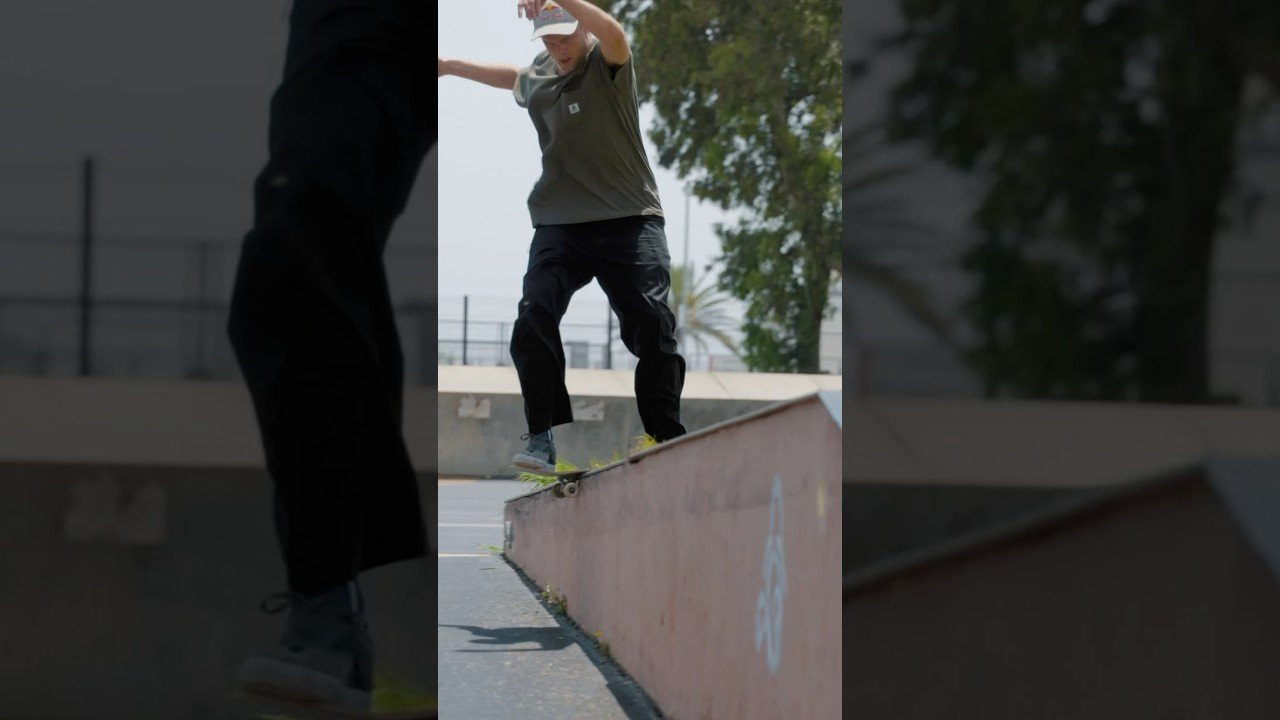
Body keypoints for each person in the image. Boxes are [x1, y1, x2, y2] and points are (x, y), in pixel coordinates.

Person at [226, 0, 432, 712]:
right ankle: (337, 610)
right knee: (300, 267)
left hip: (374, 25)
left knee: (293, 254)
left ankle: (330, 610)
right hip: (329, 33)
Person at [439, 0, 687, 473]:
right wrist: (448, 65)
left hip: (629, 218)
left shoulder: (607, 63)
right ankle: (541, 437)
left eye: (566, 39)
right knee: (534, 313)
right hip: (561, 223)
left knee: (652, 321)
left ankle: (663, 436)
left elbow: (613, 31)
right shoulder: (540, 74)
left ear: (583, 31)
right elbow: (512, 78)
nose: (559, 50)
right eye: (549, 42)